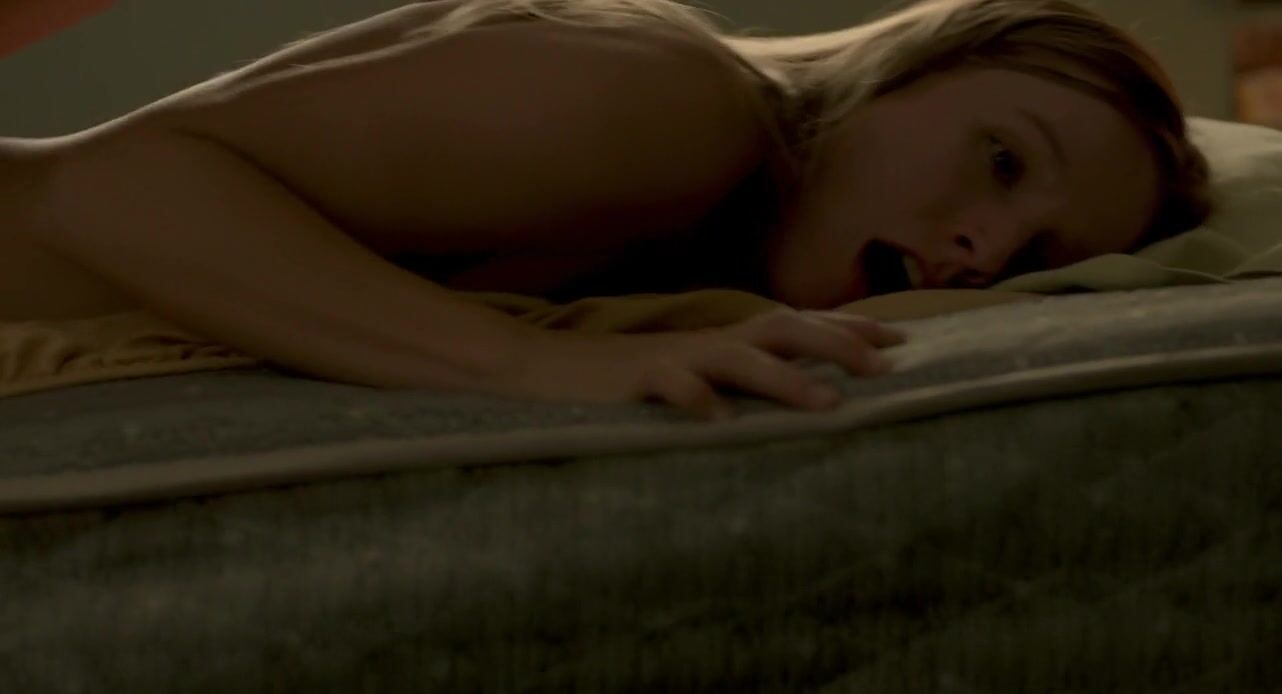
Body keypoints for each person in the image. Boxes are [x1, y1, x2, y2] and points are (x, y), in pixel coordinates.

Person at [0, 0, 1211, 420]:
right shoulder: (677, 106)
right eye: (1000, 160)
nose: (985, 249)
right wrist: (524, 365)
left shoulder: (702, 211)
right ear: (907, 72)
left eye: (1040, 251)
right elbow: (111, 188)